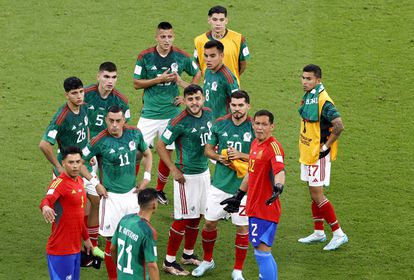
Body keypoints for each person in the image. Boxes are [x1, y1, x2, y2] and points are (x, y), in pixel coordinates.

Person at [133, 21, 201, 206]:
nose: (166, 40)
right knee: (137, 152)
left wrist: (186, 94)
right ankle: (131, 187)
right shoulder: (145, 56)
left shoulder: (180, 56)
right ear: (157, 37)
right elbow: (136, 83)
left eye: (169, 36)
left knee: (167, 152)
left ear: (173, 37)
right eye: (163, 36)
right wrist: (159, 79)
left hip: (171, 114)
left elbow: (197, 72)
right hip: (149, 114)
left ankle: (159, 190)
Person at [81, 105, 152, 280]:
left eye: (118, 121)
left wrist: (147, 178)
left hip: (132, 195)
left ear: (124, 121)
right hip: (110, 198)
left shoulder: (135, 133)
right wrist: (95, 182)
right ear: (106, 120)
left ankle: (137, 275)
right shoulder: (99, 140)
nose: (114, 125)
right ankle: (115, 278)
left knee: (136, 238)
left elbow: (147, 153)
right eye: (110, 121)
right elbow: (80, 162)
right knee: (111, 242)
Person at [191, 90, 253, 280]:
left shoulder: (254, 127)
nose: (237, 109)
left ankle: (237, 270)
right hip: (219, 185)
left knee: (242, 228)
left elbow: (260, 158)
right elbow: (208, 150)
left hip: (244, 188)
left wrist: (241, 156)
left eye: (241, 105)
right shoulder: (219, 124)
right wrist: (220, 157)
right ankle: (208, 261)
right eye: (234, 105)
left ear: (248, 106)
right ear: (230, 105)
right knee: (209, 223)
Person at [221, 110, 286, 280]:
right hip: (254, 206)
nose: (260, 128)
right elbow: (251, 172)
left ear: (272, 127)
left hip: (265, 208)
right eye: (257, 124)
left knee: (262, 252)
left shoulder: (273, 147)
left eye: (264, 124)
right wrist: (239, 195)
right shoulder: (255, 144)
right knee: (262, 251)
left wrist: (279, 186)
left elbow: (280, 170)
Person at [156, 84, 212, 276]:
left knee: (198, 216)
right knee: (182, 219)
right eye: (190, 99)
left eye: (197, 98)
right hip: (185, 177)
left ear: (203, 98)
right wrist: (173, 169)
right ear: (184, 100)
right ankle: (168, 261)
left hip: (204, 173)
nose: (194, 103)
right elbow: (161, 145)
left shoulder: (210, 114)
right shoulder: (178, 121)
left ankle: (187, 254)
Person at [297, 64, 348, 250]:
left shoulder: (323, 101)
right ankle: (318, 231)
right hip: (308, 152)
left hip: (318, 156)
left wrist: (325, 146)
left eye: (308, 79)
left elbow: (339, 125)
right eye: (303, 78)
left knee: (317, 194)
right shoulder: (310, 95)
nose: (304, 81)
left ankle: (338, 233)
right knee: (313, 193)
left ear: (318, 80)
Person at [83, 61, 131, 256]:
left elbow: (124, 126)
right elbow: (80, 122)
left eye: (114, 77)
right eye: (106, 77)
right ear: (98, 77)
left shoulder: (121, 100)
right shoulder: (85, 95)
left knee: (96, 199)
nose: (110, 81)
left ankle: (92, 243)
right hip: (85, 151)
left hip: (107, 150)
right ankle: (87, 240)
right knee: (83, 199)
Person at [40, 146, 93, 280]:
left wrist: (86, 239)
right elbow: (47, 199)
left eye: (78, 162)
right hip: (60, 250)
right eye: (71, 162)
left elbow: (79, 216)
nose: (75, 166)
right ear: (63, 163)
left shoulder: (80, 181)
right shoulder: (59, 183)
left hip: (75, 249)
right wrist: (46, 207)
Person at [39, 77, 89, 178]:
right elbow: (44, 144)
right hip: (69, 167)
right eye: (74, 93)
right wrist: (58, 167)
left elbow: (86, 127)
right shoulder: (61, 118)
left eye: (81, 91)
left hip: (84, 163)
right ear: (67, 95)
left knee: (96, 193)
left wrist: (88, 150)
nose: (79, 96)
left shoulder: (84, 106)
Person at [194, 5, 250, 85]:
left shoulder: (238, 38)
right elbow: (198, 63)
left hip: (231, 86)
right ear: (209, 20)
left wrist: (232, 77)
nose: (218, 23)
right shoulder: (199, 41)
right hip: (210, 88)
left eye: (221, 20)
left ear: (226, 21)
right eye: (215, 19)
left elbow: (243, 64)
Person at [111, 188, 160, 280]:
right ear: (154, 205)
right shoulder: (147, 231)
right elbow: (152, 266)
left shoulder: (125, 219)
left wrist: (120, 269)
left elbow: (112, 248)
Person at [202, 40, 239, 121]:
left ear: (221, 55)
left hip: (222, 125)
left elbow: (238, 103)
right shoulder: (207, 71)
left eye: (212, 56)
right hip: (207, 122)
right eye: (206, 55)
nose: (208, 59)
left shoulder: (227, 77)